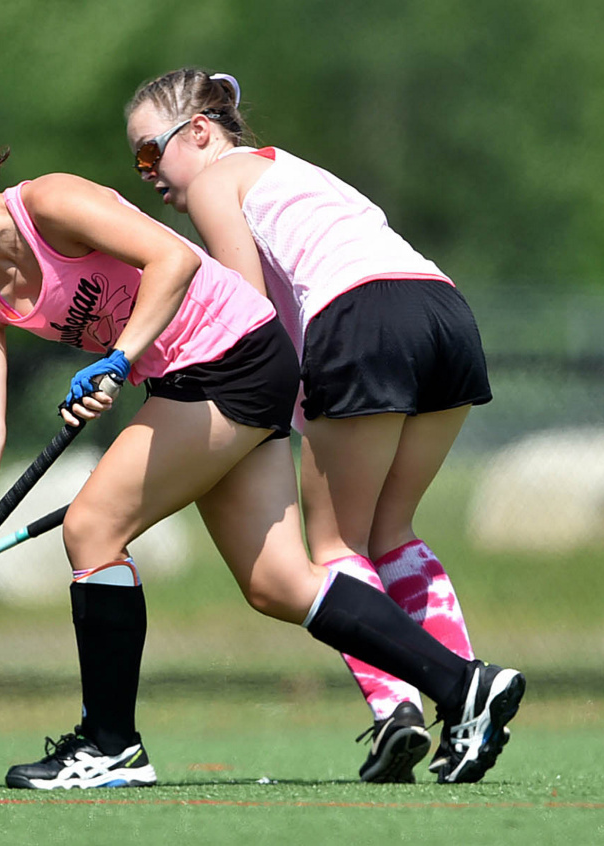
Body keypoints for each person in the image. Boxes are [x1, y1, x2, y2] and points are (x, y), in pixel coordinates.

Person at [0, 96, 524, 790]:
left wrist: (118, 359)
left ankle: (109, 745)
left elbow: (172, 259)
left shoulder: (50, 203)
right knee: (278, 584)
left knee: (91, 529)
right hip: (201, 375)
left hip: (228, 357)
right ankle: (464, 685)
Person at [125, 68, 502, 783]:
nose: (146, 174)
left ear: (199, 132)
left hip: (360, 318)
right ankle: (471, 705)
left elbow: (247, 310)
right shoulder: (296, 170)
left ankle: (402, 708)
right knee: (392, 533)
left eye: (150, 154)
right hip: (444, 313)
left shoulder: (214, 180)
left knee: (332, 547)